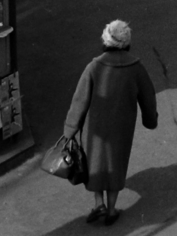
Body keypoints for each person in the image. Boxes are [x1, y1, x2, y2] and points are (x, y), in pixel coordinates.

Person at [61, 19, 158, 227]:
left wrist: (70, 129)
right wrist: (150, 120)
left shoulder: (94, 67)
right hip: (122, 128)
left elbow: (79, 100)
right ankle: (112, 209)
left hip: (93, 128)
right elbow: (148, 96)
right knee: (116, 164)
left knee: (94, 163)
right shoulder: (136, 67)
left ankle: (98, 204)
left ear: (105, 40)